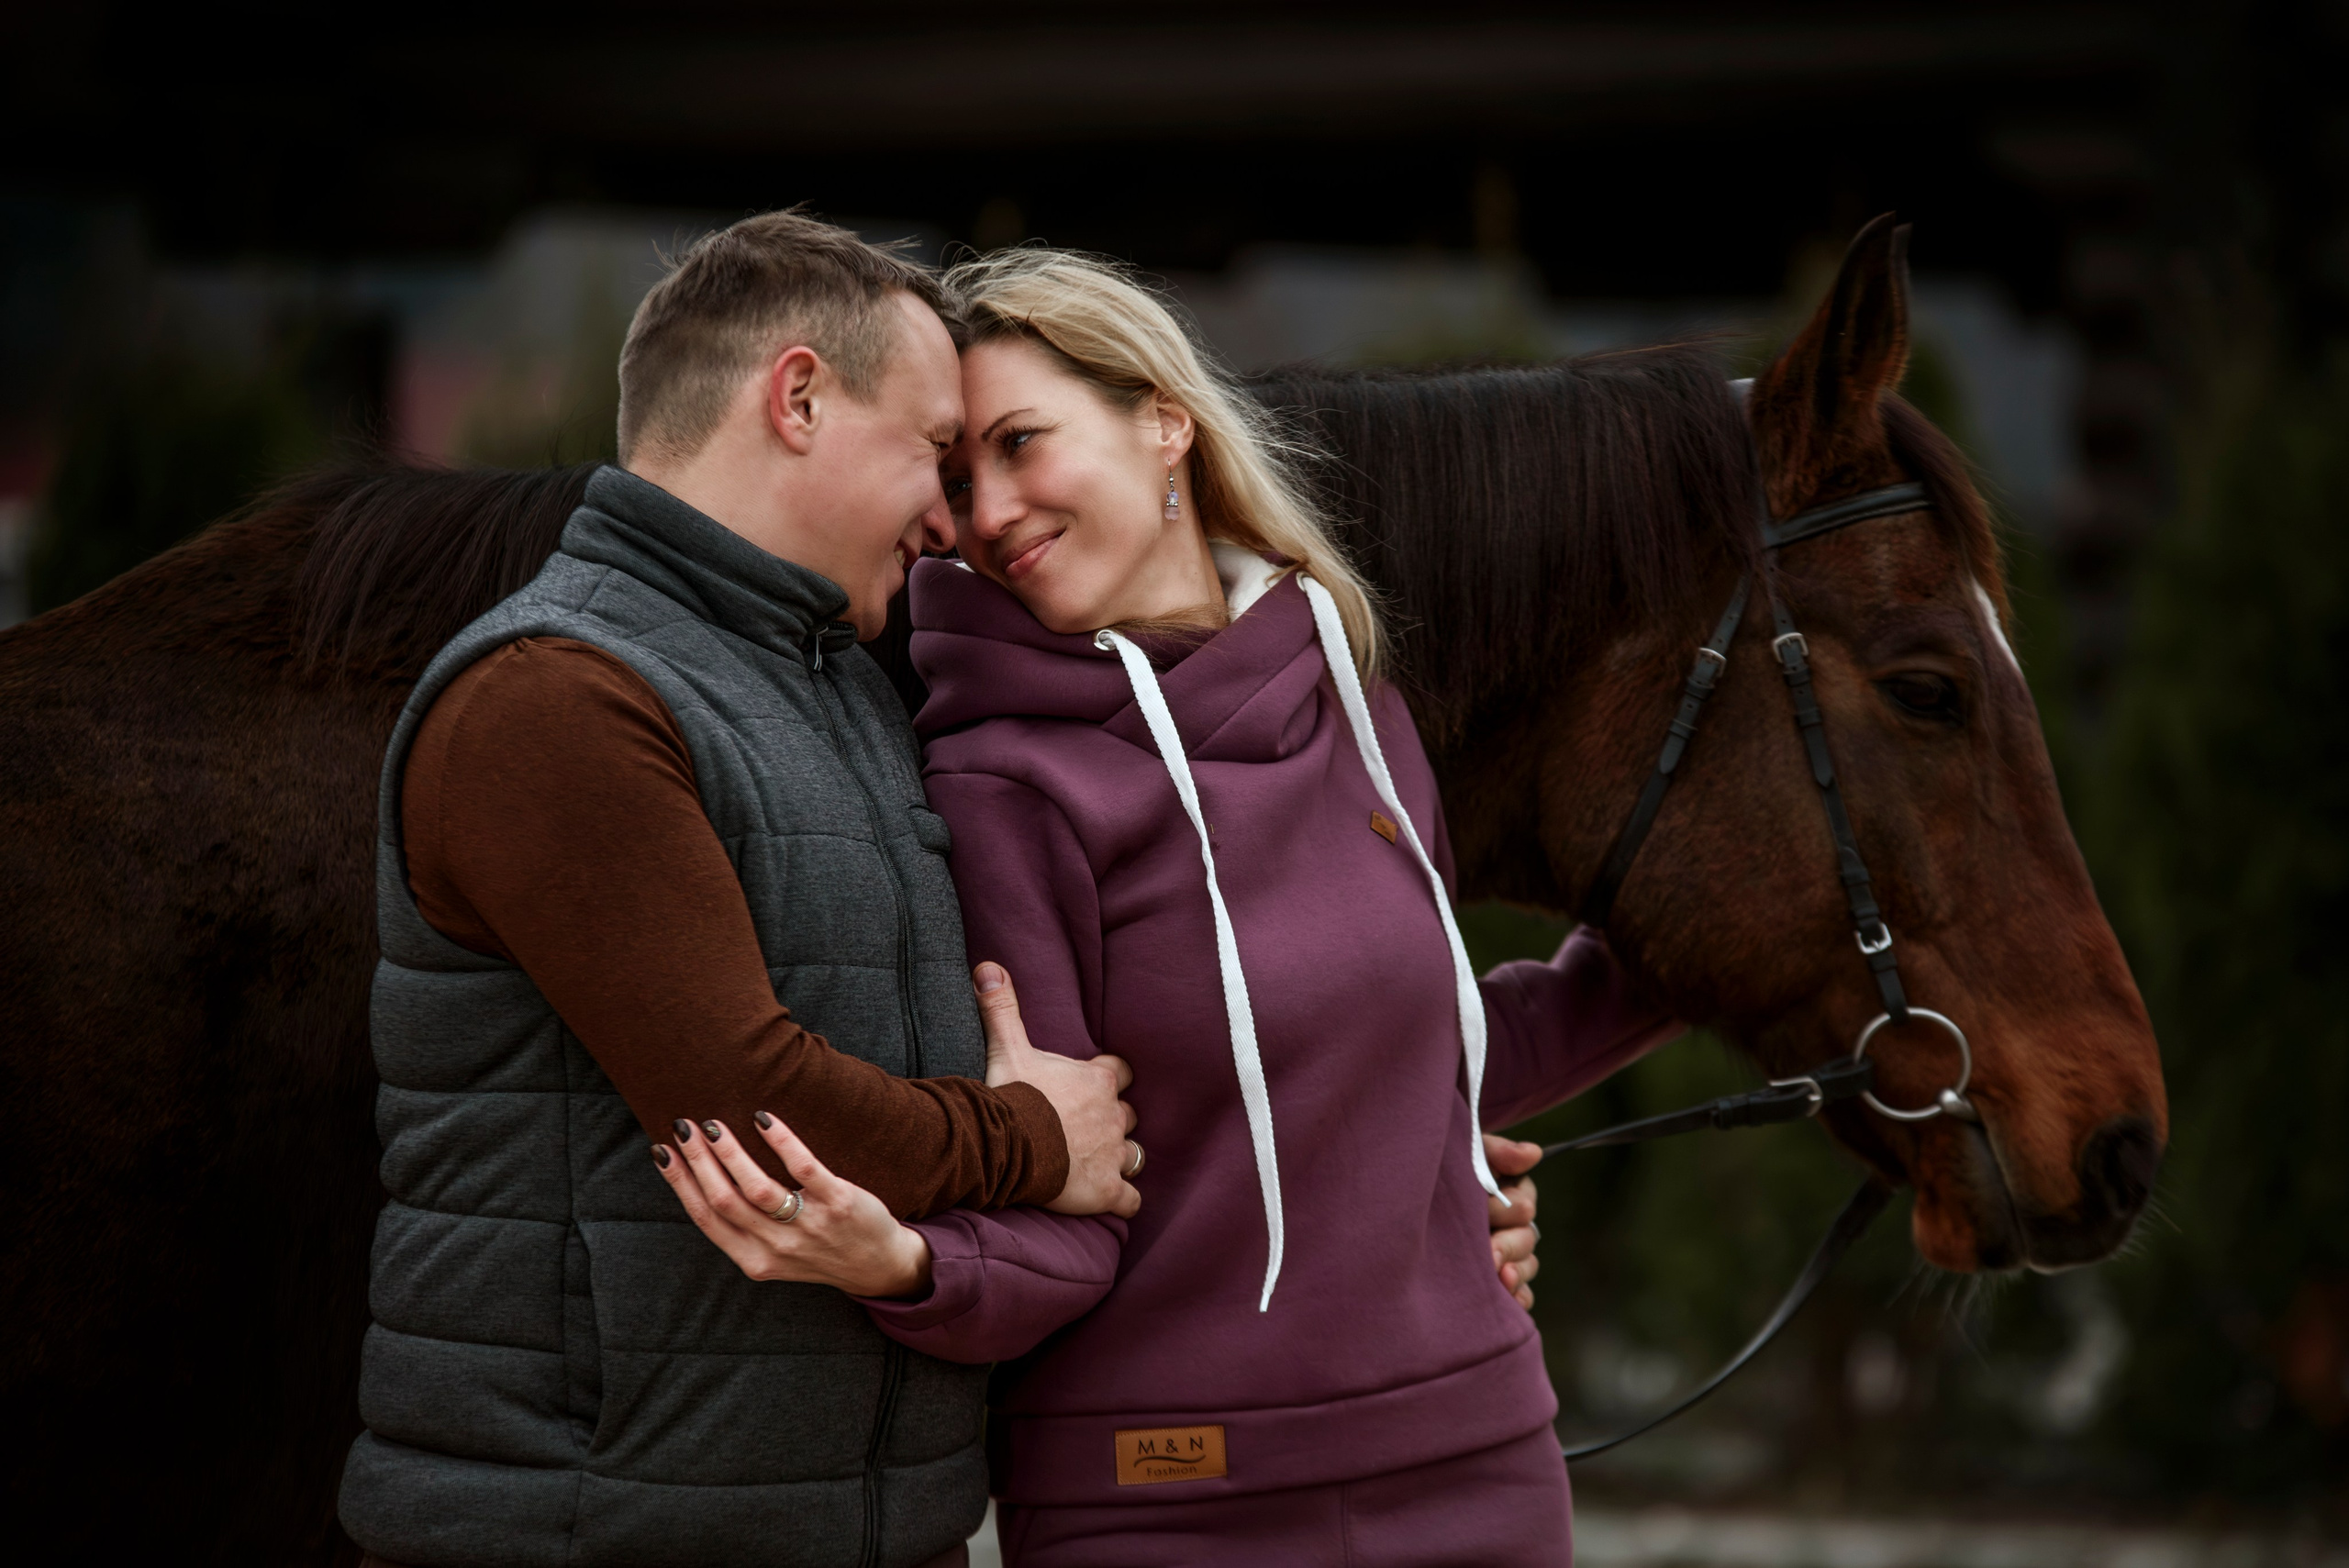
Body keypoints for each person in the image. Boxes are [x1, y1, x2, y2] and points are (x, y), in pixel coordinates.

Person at [662, 249, 1680, 1566]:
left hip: (1478, 1460)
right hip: (1161, 1498)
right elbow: (1055, 1185)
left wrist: (1704, 953)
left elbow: (1427, 1049)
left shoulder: (1357, 706)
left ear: (1164, 421)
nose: (989, 513)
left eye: (1023, 444)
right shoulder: (998, 781)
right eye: (959, 478)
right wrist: (910, 1266)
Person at [337, 213, 1144, 1568]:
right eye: (933, 451)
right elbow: (751, 1104)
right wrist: (1027, 1141)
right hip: (586, 1532)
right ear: (800, 396)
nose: (953, 516)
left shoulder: (844, 694)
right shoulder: (556, 694)